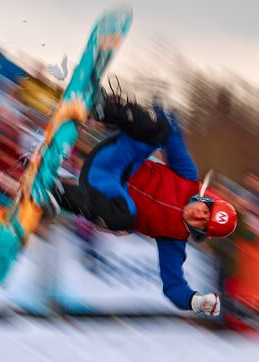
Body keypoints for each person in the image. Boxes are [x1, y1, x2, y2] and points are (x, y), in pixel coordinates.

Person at [44, 88, 238, 316]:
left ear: (200, 231)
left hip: (103, 191)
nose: (198, 215)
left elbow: (173, 286)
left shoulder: (173, 238)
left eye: (203, 222)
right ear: (205, 200)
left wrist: (195, 301)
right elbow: (173, 138)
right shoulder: (188, 177)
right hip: (112, 161)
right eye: (205, 210)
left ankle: (57, 194)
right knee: (161, 132)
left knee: (125, 219)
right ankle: (103, 108)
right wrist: (160, 108)